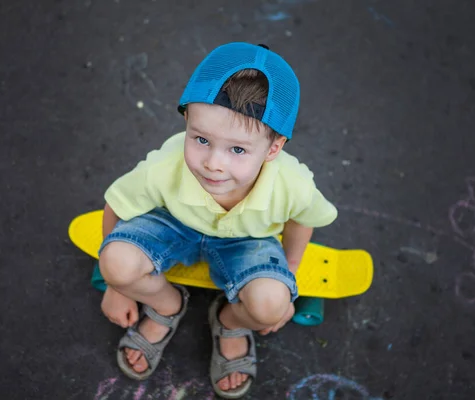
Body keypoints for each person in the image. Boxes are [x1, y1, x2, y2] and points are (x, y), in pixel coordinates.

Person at [97, 42, 337, 398]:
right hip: (173, 224)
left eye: (238, 149)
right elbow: (115, 204)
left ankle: (230, 321)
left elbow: (303, 219)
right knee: (114, 261)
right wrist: (117, 287)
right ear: (186, 121)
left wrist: (289, 270)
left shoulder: (293, 184)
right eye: (201, 139)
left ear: (274, 148)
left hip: (249, 240)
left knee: (272, 305)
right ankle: (166, 303)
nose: (213, 163)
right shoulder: (165, 166)